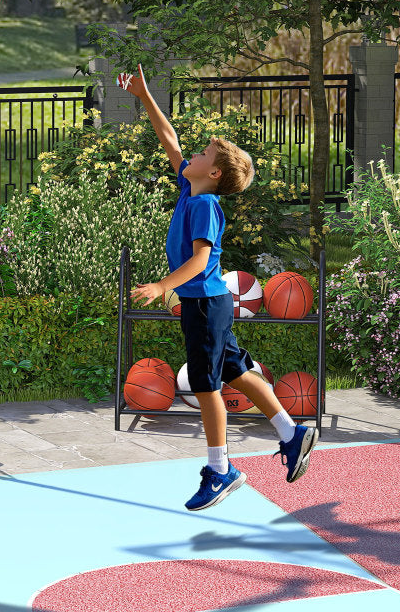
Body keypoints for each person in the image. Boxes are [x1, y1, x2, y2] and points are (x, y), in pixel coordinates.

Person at [119, 65, 317, 511]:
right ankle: (292, 432)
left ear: (213, 174)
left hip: (205, 305)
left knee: (208, 386)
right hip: (209, 304)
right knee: (238, 372)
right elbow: (169, 138)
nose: (194, 154)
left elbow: (202, 259)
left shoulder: (205, 202)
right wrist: (145, 94)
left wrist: (161, 285)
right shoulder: (192, 189)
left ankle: (221, 469)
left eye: (205, 153)